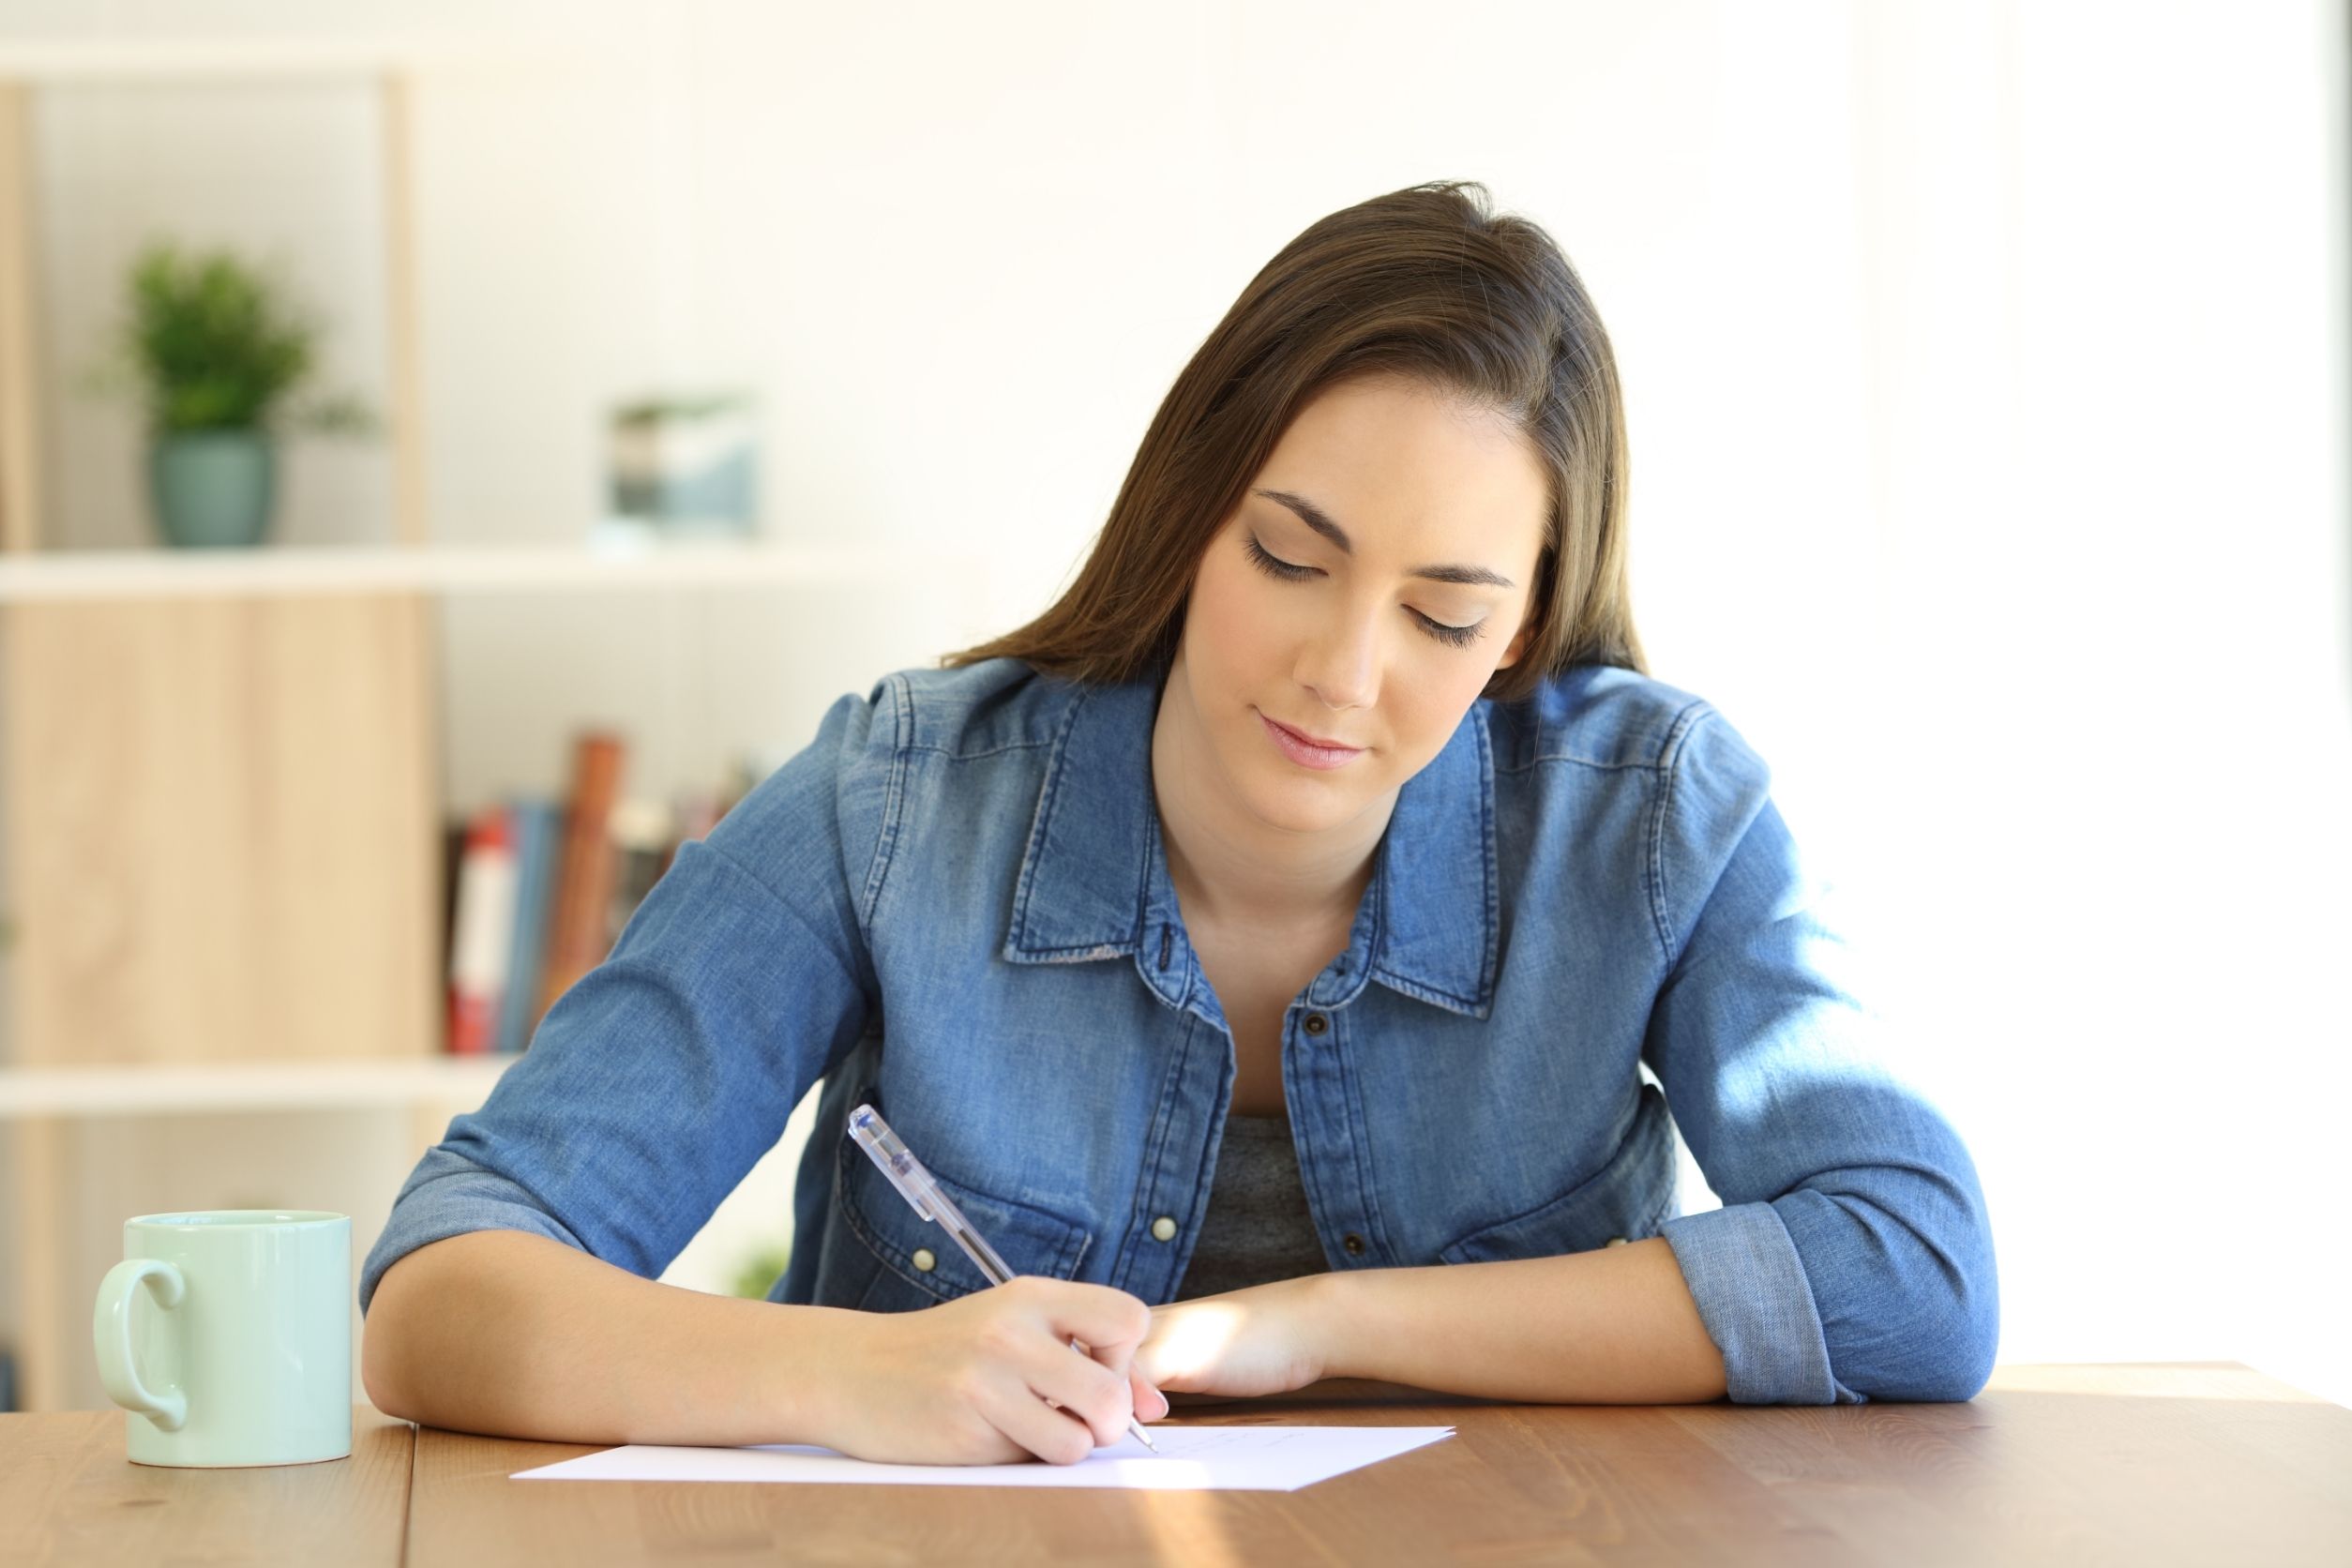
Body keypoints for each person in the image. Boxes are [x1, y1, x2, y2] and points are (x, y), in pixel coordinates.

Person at [357, 180, 1998, 1468]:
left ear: (1523, 636)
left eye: (1443, 617)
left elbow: (1913, 1272)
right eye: (1293, 557)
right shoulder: (902, 799)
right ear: (1191, 515)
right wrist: (860, 1370)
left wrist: (1312, 1328)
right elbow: (442, 1288)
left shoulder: (1649, 818)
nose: (1342, 674)